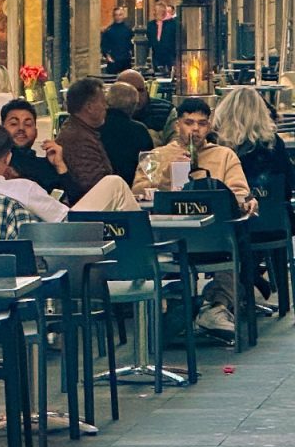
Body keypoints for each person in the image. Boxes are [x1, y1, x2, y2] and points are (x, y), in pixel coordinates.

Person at [132, 97, 254, 339]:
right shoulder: (156, 156)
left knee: (234, 238)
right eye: (189, 123)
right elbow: (137, 192)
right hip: (170, 236)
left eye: (201, 123)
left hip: (214, 236)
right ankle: (179, 305)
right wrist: (168, 174)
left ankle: (216, 304)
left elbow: (240, 192)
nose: (195, 129)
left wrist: (242, 201)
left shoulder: (224, 155)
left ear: (209, 127)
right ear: (178, 125)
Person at [0, 125, 141, 222]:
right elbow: (64, 219)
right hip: (53, 250)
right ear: (8, 157)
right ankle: (146, 252)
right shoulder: (24, 189)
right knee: (114, 183)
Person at [211, 87, 295, 199]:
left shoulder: (216, 144)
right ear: (261, 113)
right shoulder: (273, 143)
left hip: (228, 210)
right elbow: (288, 182)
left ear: (224, 111)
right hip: (271, 210)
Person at [0, 98, 83, 202]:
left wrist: (60, 165)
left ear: (36, 132)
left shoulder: (45, 166)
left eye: (28, 124)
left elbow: (77, 203)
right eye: (13, 124)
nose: (21, 128)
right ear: (2, 130)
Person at [55, 77, 114, 198]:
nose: (106, 107)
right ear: (89, 107)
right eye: (103, 102)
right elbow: (94, 185)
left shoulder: (79, 130)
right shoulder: (77, 138)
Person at [100, 82, 154, 186]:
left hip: (99, 187)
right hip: (132, 187)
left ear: (107, 101)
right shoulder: (139, 130)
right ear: (134, 106)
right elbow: (149, 168)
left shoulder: (95, 126)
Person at [117, 68, 177, 144]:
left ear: (146, 90)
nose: (136, 96)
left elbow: (176, 142)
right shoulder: (108, 114)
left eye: (140, 90)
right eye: (129, 91)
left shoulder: (166, 111)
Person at [146, 2, 177, 76]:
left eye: (156, 11)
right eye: (154, 11)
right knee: (157, 75)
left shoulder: (172, 24)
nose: (154, 13)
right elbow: (149, 40)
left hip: (170, 55)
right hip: (156, 55)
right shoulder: (151, 24)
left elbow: (175, 39)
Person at [101, 6, 134, 74]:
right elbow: (104, 45)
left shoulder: (128, 30)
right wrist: (108, 57)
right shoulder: (109, 31)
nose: (118, 17)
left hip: (126, 61)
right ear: (113, 16)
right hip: (113, 61)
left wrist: (131, 54)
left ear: (123, 16)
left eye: (120, 15)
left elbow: (131, 44)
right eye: (116, 15)